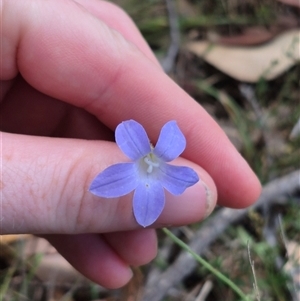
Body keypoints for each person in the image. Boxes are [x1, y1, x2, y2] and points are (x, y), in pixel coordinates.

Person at [1, 0, 261, 289]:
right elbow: (129, 136)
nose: (149, 161)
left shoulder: (162, 148)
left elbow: (173, 165)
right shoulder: (143, 142)